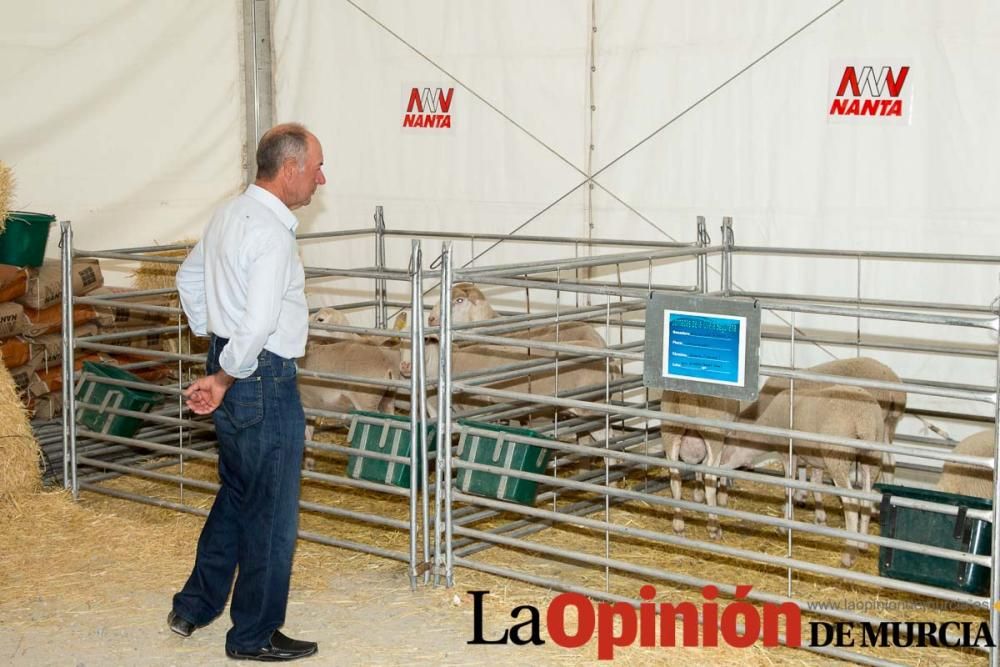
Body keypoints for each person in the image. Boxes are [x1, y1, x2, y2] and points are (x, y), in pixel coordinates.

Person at [168, 123, 325, 662]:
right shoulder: (271, 233)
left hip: (231, 363)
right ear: (290, 169)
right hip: (261, 375)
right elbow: (258, 324)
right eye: (316, 168)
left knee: (237, 491)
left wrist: (216, 344)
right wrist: (227, 373)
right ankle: (253, 635)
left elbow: (188, 280)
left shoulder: (228, 214)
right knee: (273, 511)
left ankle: (194, 605)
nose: (320, 179)